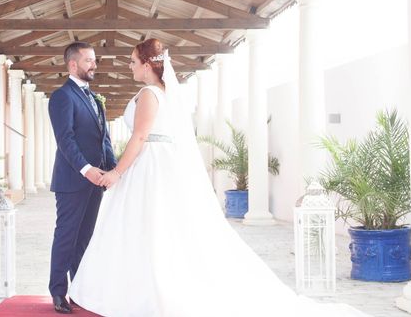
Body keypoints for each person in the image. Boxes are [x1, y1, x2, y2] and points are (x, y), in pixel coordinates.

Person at [68, 38, 368, 317]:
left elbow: (141, 135)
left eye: (133, 62)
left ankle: (148, 291)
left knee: (147, 224)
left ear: (148, 64)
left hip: (150, 165)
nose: (130, 66)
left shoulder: (149, 94)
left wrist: (117, 173)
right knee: (152, 226)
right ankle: (147, 285)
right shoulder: (162, 93)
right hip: (155, 163)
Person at [46, 41, 117, 314]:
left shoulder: (94, 98)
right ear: (73, 64)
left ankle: (79, 290)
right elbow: (66, 140)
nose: (94, 65)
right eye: (89, 60)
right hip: (73, 181)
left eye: (94, 60)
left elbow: (104, 139)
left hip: (97, 182)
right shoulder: (61, 96)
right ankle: (58, 293)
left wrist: (113, 170)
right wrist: (86, 169)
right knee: (66, 236)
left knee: (84, 239)